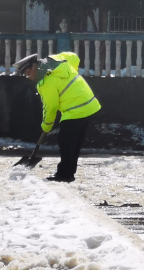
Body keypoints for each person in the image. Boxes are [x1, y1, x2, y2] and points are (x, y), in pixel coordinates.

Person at [13, 52, 101, 182]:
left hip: (75, 110)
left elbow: (51, 107)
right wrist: (73, 74)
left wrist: (46, 126)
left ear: (34, 66)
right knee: (74, 143)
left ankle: (64, 175)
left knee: (65, 142)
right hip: (90, 104)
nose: (29, 78)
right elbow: (74, 57)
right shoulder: (56, 60)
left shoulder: (45, 83)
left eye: (28, 73)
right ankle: (69, 173)